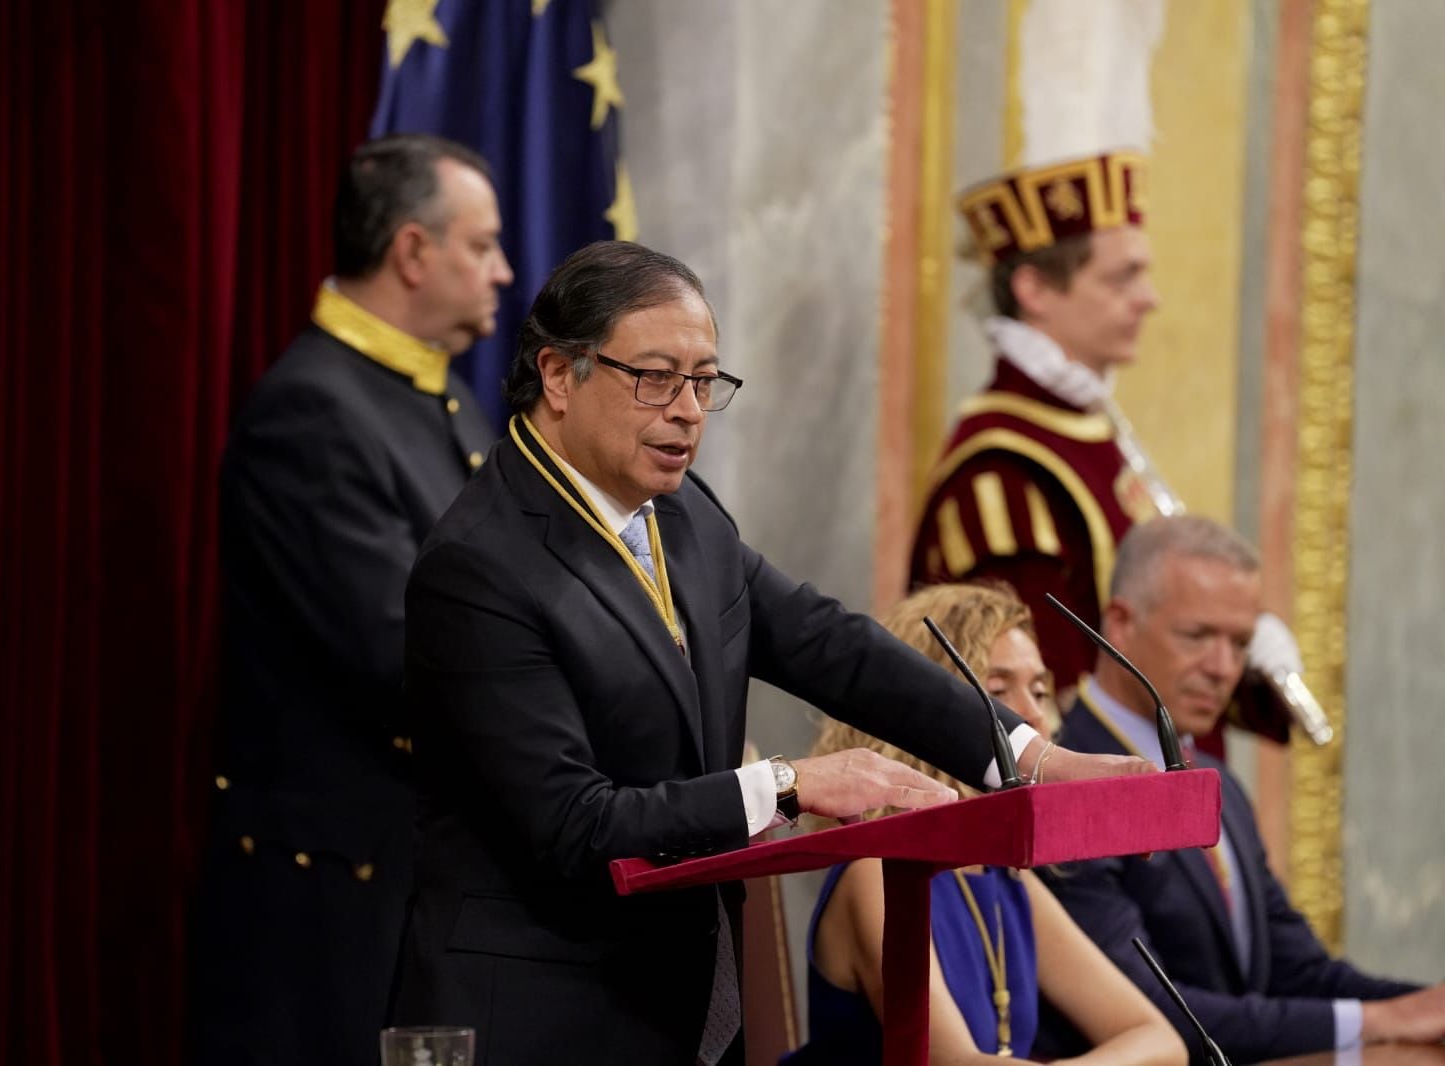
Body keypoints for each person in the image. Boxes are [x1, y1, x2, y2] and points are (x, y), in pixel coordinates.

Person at [390, 240, 1152, 1065]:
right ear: (560, 375)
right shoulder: (481, 564)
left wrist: (1029, 756)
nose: (686, 409)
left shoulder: (686, 517)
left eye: (704, 380)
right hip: (534, 1015)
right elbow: (574, 823)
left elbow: (832, 647)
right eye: (655, 377)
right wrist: (789, 786)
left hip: (674, 999)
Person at [187, 134, 514, 1066]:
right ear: (413, 252)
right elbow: (405, 650)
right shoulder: (314, 411)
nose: (505, 270)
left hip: (423, 881)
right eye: (481, 245)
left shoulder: (437, 400)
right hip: (336, 904)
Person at [907, 151, 1305, 758]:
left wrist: (1237, 645)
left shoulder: (1087, 427)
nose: (1149, 299)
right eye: (1122, 278)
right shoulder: (1003, 471)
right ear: (1034, 288)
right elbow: (1045, 705)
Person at [1037, 516, 1445, 1062]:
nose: (1223, 668)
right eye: (1198, 635)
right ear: (1119, 623)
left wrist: (1421, 1007)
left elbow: (1293, 967)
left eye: (1241, 643)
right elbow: (1149, 1009)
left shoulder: (1217, 778)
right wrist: (1380, 1020)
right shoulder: (1062, 773)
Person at [791, 583, 1184, 1065]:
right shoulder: (876, 869)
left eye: (1039, 690)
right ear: (927, 707)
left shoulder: (1003, 875)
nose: (1035, 714)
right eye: (999, 692)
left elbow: (1161, 1040)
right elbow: (952, 1061)